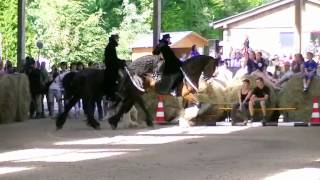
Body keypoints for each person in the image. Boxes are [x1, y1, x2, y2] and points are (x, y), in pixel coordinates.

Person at [104, 34, 126, 100]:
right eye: (117, 39)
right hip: (111, 66)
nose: (118, 40)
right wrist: (121, 62)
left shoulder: (111, 46)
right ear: (114, 39)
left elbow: (114, 58)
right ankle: (117, 92)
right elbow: (113, 59)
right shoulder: (111, 47)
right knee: (122, 77)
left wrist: (120, 61)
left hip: (111, 65)